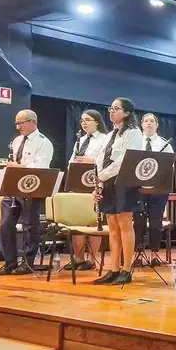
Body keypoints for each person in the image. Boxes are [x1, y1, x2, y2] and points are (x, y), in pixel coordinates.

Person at [0, 110, 54, 275]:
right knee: (5, 224)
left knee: (30, 226)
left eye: (21, 123)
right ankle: (10, 262)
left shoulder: (43, 142)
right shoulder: (17, 140)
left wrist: (21, 167)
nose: (18, 127)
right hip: (13, 188)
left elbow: (42, 167)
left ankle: (28, 262)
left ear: (33, 122)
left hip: (31, 187)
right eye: (17, 123)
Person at [93, 98, 142, 285]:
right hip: (106, 181)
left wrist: (104, 175)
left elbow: (124, 159)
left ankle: (126, 269)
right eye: (110, 108)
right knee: (112, 226)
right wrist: (98, 180)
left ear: (127, 113)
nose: (111, 112)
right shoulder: (109, 135)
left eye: (116, 109)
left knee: (124, 224)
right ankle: (113, 268)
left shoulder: (133, 133)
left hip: (124, 181)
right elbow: (99, 159)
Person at [66, 109, 109, 271]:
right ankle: (78, 258)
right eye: (82, 120)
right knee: (78, 220)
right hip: (78, 183)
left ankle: (92, 258)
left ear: (97, 121)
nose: (84, 123)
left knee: (93, 221)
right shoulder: (81, 139)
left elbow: (106, 161)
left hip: (94, 182)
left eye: (88, 120)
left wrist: (92, 160)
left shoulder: (104, 139)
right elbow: (72, 160)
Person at [133, 113, 174, 256]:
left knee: (156, 221)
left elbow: (170, 165)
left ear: (157, 125)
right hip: (138, 188)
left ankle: (155, 254)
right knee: (138, 221)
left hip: (158, 190)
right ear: (142, 125)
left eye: (152, 121)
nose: (149, 123)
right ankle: (138, 253)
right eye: (146, 121)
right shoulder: (135, 142)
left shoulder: (164, 144)